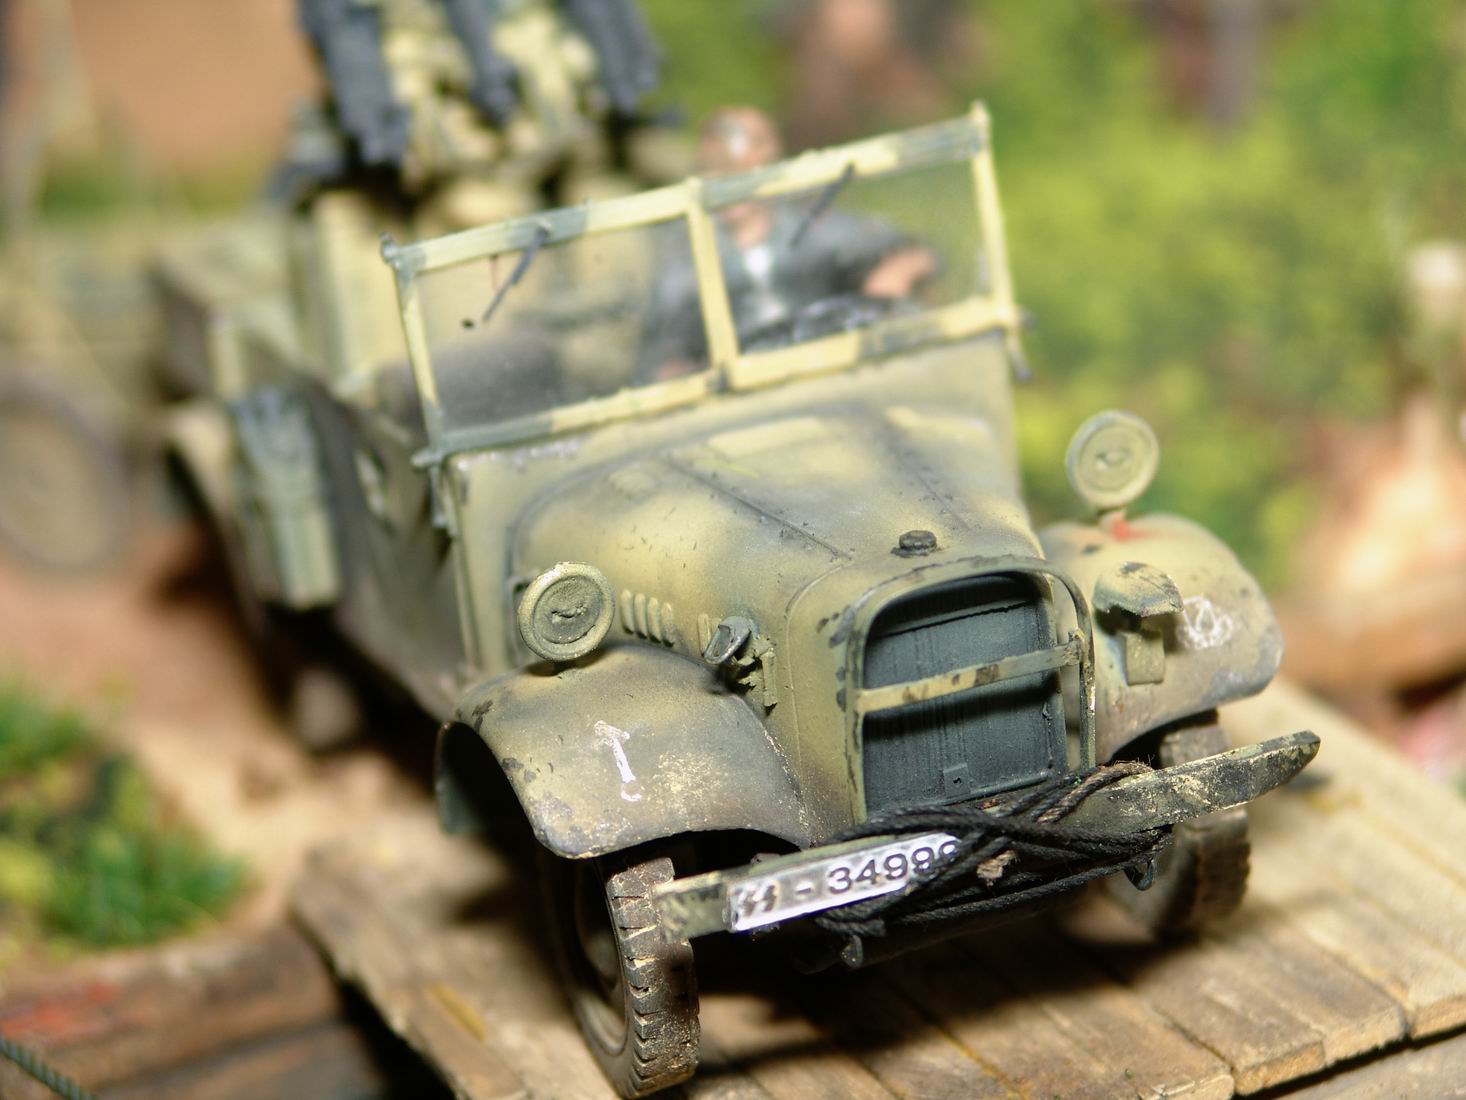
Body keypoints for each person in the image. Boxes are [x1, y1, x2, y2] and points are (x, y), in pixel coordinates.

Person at [643, 107, 936, 376]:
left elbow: (912, 253)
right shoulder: (686, 259)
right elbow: (665, 350)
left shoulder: (810, 228)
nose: (731, 184)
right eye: (716, 171)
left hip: (829, 372)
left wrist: (896, 271)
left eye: (742, 172)